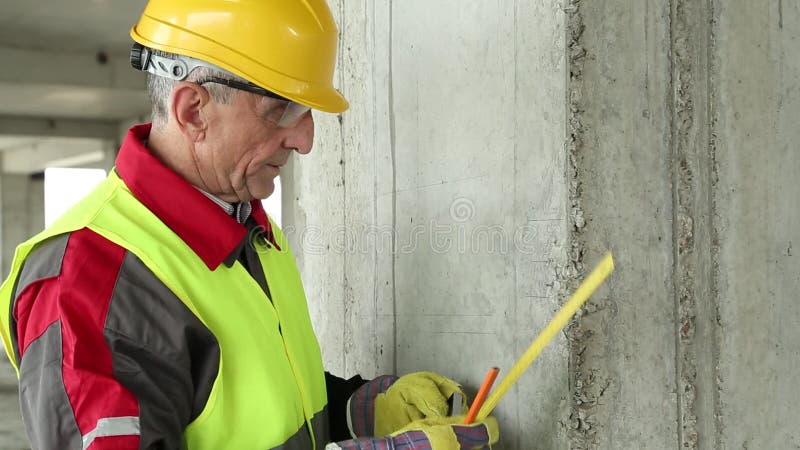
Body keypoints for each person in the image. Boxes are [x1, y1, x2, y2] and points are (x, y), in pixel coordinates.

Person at [0, 1, 499, 449]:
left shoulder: (251, 232)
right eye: (280, 109)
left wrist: (355, 410)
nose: (304, 141)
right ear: (194, 110)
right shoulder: (90, 283)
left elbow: (251, 399)